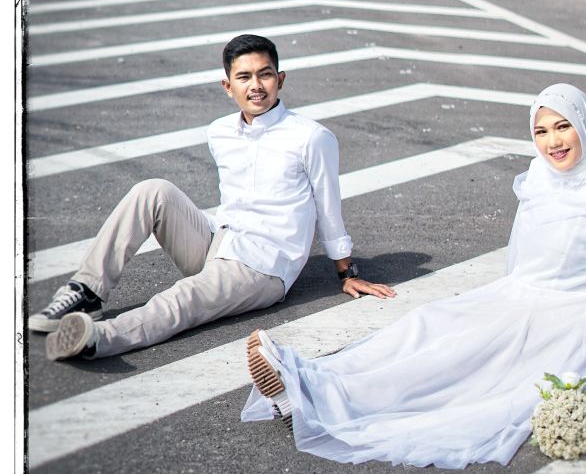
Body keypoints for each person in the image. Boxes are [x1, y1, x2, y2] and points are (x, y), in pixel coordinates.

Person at [240, 83, 586, 468]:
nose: (553, 142)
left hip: (570, 319)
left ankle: (323, 396)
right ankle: (310, 378)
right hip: (519, 296)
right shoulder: (540, 175)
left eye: (563, 127)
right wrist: (499, 302)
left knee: (458, 363)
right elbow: (522, 254)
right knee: (429, 324)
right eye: (542, 131)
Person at [33, 33, 395, 361]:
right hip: (218, 241)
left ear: (280, 79)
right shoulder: (220, 132)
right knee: (152, 190)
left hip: (263, 266)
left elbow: (328, 207)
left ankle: (97, 338)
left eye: (265, 74)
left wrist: (347, 273)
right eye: (244, 77)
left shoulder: (311, 137)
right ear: (227, 86)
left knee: (184, 298)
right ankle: (87, 291)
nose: (256, 86)